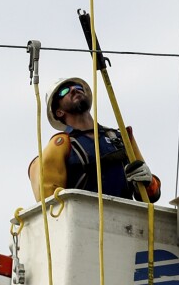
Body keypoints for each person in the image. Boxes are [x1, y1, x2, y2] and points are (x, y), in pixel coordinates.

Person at [28, 77, 161, 203]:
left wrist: (149, 182)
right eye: (64, 91)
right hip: (85, 218)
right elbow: (51, 203)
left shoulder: (121, 138)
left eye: (78, 87)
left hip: (124, 217)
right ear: (59, 112)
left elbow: (150, 196)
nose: (74, 89)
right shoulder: (62, 145)